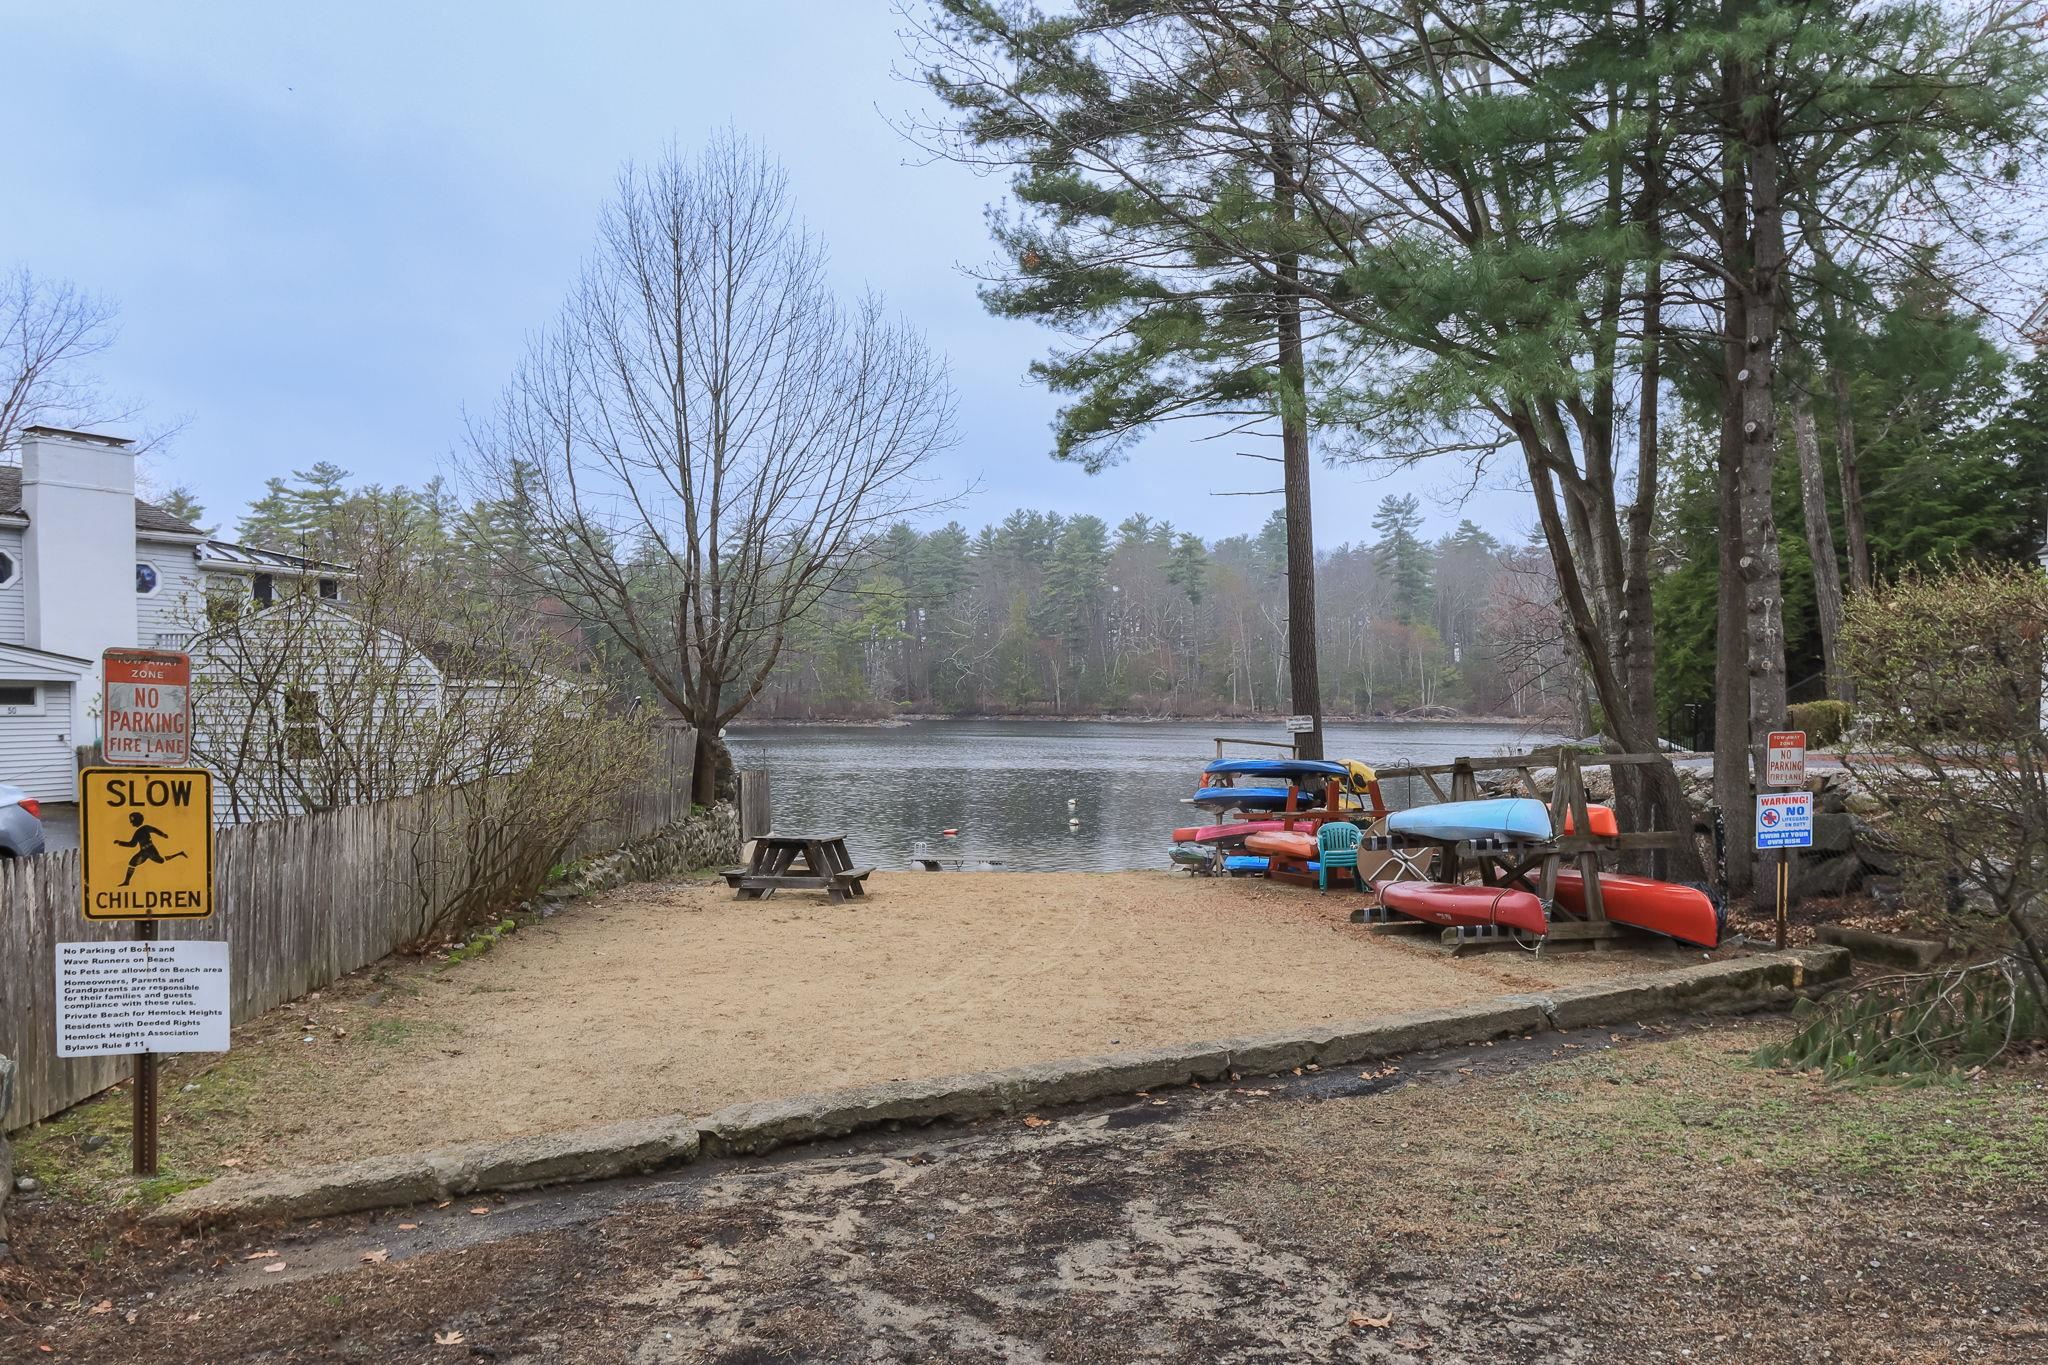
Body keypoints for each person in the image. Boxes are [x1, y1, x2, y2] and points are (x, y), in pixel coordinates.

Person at [116, 810, 187, 886]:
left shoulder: (143, 829)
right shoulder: (140, 830)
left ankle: (179, 853)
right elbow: (133, 843)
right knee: (132, 863)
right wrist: (163, 834)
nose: (130, 822)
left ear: (137, 820)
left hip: (150, 851)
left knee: (161, 861)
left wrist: (120, 843)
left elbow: (133, 844)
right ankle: (127, 882)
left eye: (132, 820)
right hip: (144, 851)